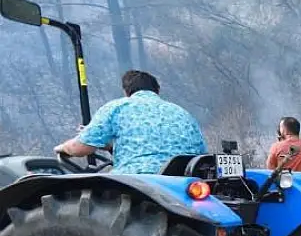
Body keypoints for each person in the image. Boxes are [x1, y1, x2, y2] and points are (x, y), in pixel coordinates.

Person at [53, 70, 206, 175]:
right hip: (183, 182)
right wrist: (110, 148)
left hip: (138, 182)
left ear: (126, 92)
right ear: (157, 90)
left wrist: (62, 148)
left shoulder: (117, 108)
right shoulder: (182, 112)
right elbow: (201, 152)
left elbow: (80, 148)